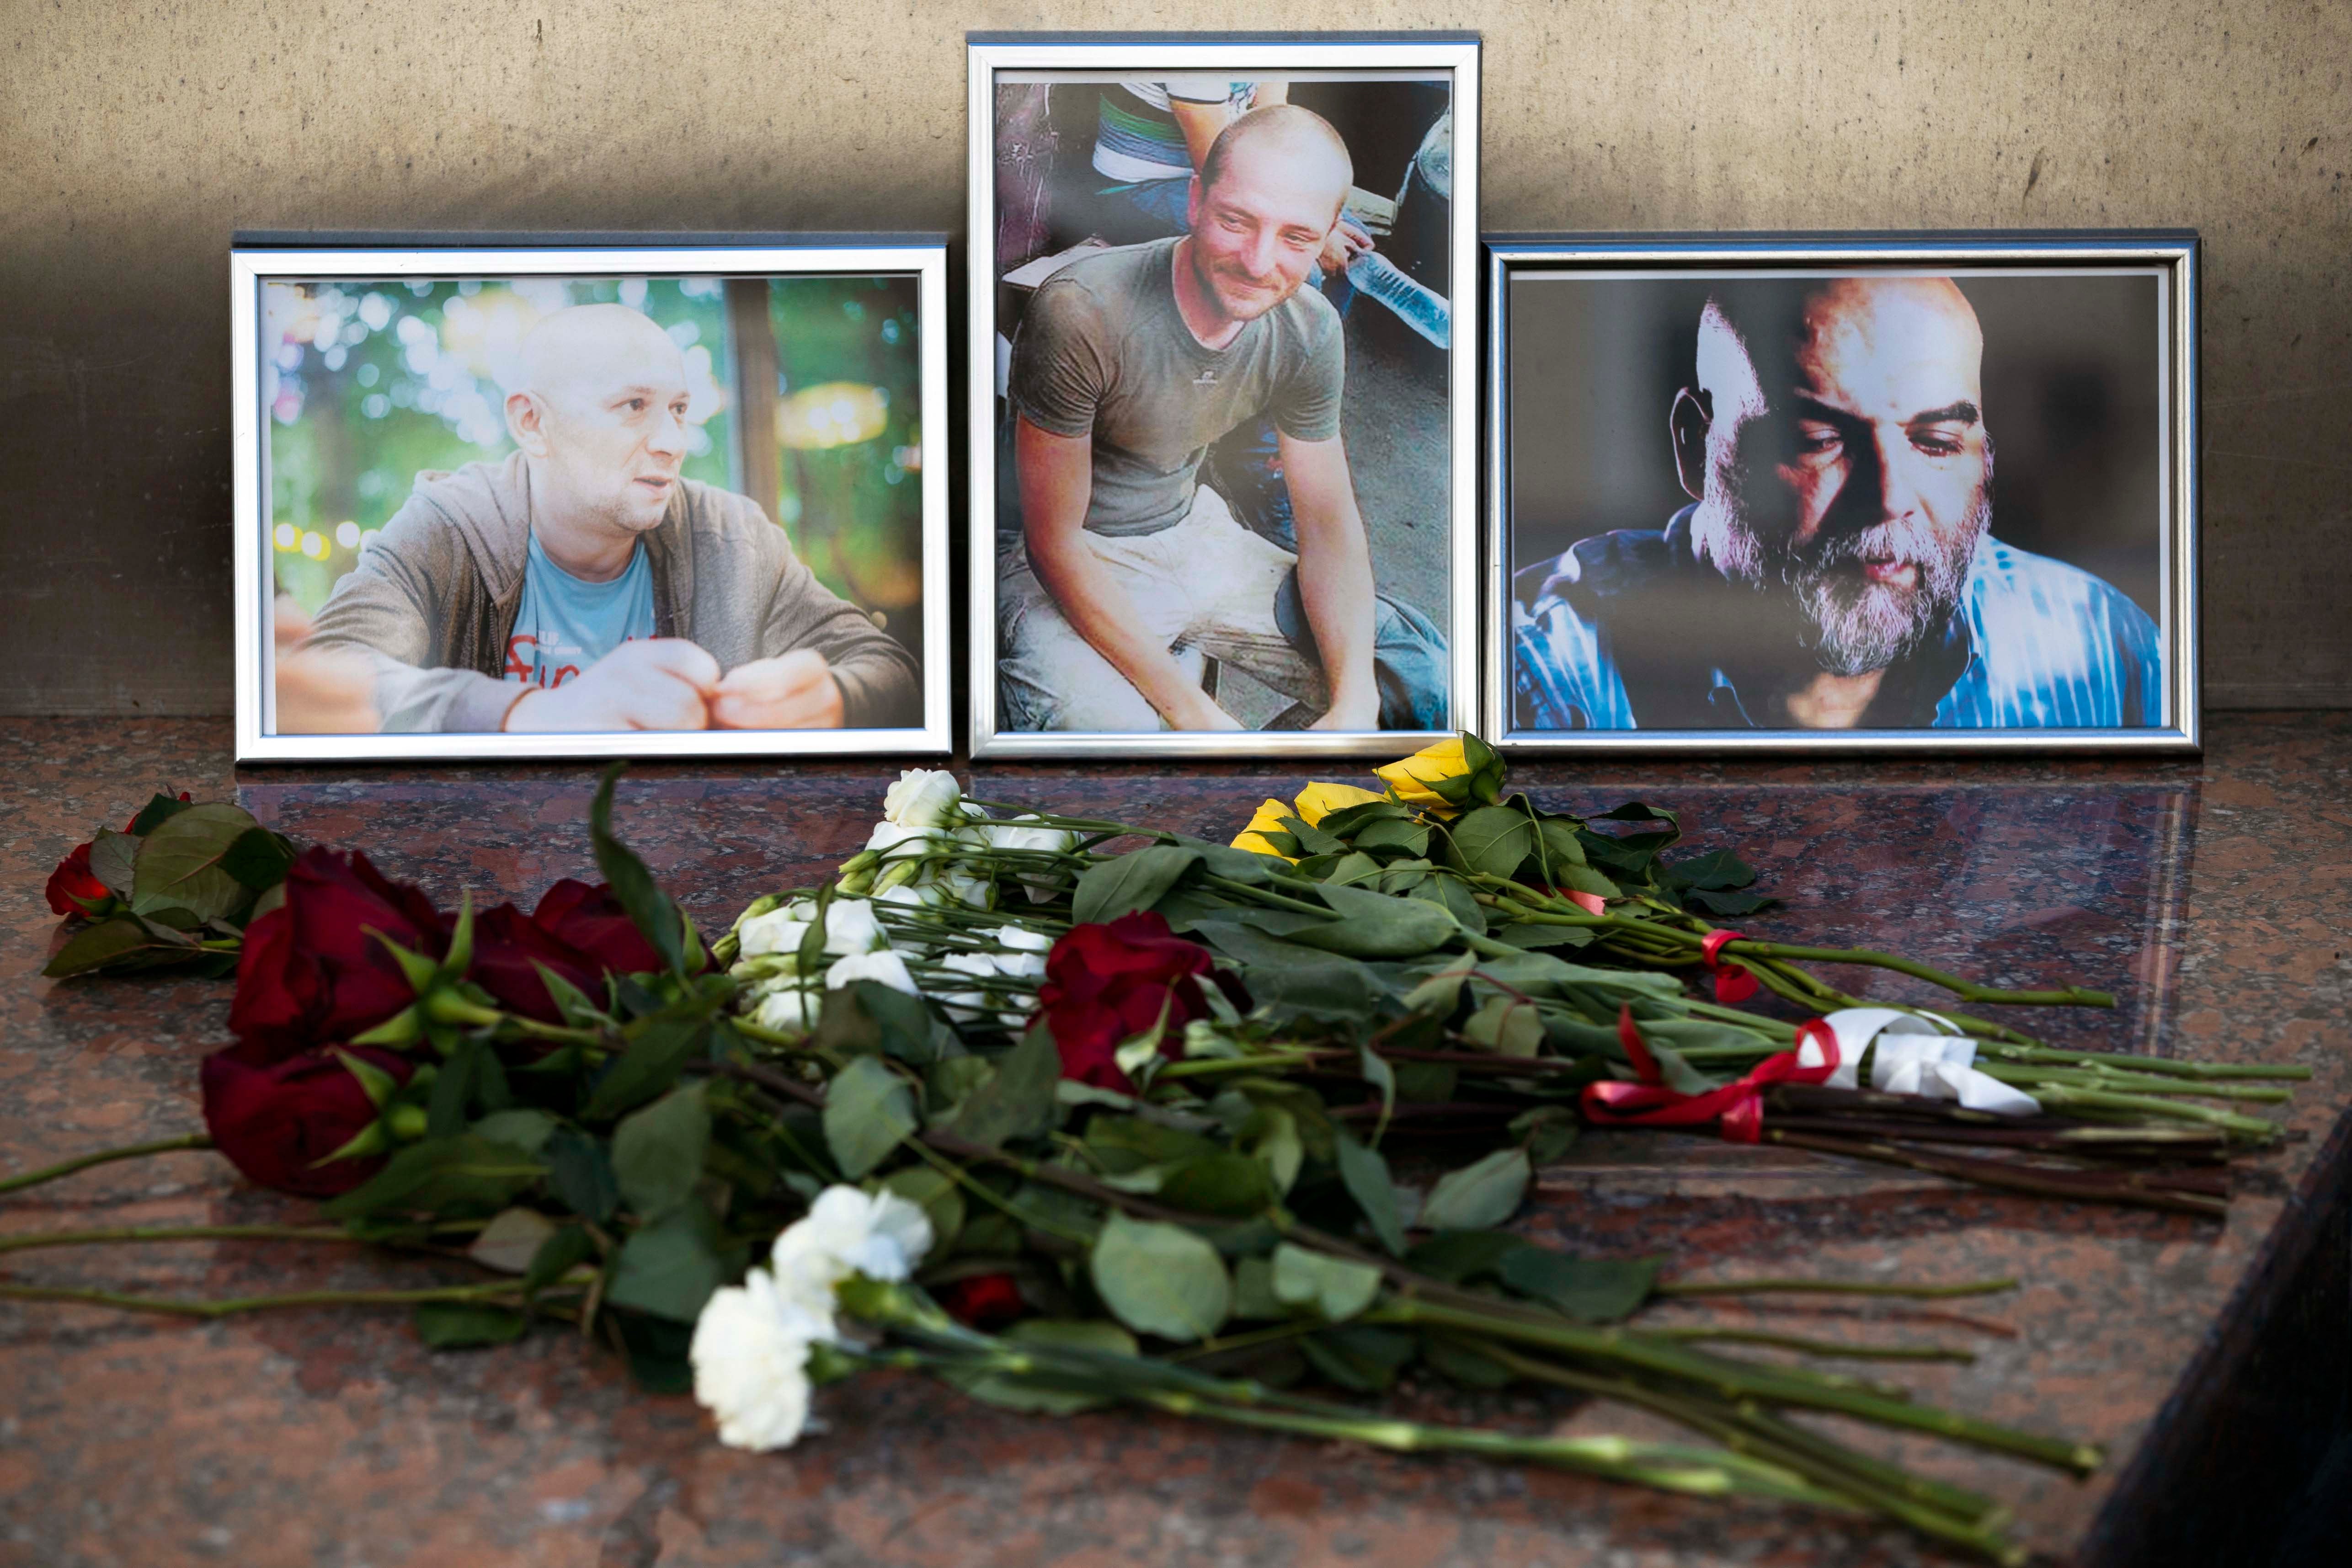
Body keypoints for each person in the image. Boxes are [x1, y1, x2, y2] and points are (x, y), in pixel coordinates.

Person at [1512, 276, 2162, 731]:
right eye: (1817, 440)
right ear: (1693, 446)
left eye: (1935, 442)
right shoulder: (1538, 671)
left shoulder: (2102, 648)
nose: (1887, 498)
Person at [1000, 104, 1438, 732]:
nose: (1260, 262)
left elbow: (1328, 525)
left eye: (1295, 237)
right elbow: (1053, 542)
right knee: (1108, 743)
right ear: (1195, 200)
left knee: (1416, 674)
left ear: (1329, 237)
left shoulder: (1310, 328)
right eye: (1237, 221)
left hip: (1193, 534)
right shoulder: (1082, 310)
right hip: (1074, 557)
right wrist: (1195, 716)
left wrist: (1354, 703)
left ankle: (1275, 804)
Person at [300, 303, 919, 734]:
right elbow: (329, 676)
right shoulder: (447, 528)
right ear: (531, 423)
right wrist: (532, 714)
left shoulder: (732, 538)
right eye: (633, 406)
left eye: (678, 409)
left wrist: (832, 699)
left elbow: (888, 669)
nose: (673, 441)